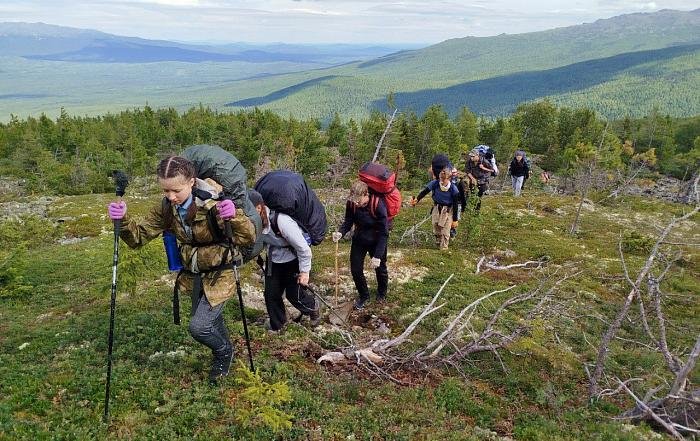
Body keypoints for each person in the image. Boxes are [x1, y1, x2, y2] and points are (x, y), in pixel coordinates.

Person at [107, 156, 256, 384]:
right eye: (165, 190)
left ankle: (224, 352)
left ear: (192, 182)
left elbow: (248, 238)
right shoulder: (167, 208)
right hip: (194, 273)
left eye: (176, 190)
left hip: (221, 271)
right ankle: (225, 348)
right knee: (210, 319)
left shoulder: (213, 205)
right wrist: (123, 220)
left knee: (199, 327)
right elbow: (138, 237)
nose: (170, 196)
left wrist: (234, 216)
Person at [247, 190, 320, 331]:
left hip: (293, 259)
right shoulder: (255, 223)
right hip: (274, 259)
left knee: (294, 295)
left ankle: (313, 307)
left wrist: (305, 272)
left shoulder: (282, 221)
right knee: (271, 294)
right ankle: (279, 325)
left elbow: (303, 249)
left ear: (258, 208)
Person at [332, 180, 389, 310]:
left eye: (358, 200)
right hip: (359, 238)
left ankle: (381, 294)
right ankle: (364, 295)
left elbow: (384, 232)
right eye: (354, 201)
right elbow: (348, 220)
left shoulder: (378, 204)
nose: (356, 203)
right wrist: (341, 232)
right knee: (356, 269)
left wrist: (377, 256)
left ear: (365, 194)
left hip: (377, 239)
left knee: (380, 268)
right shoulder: (351, 204)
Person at [411, 167, 460, 250]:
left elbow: (455, 204)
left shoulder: (453, 189)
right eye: (441, 178)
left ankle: (444, 247)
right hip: (437, 207)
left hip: (448, 209)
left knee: (445, 229)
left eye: (444, 179)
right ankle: (438, 241)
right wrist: (417, 199)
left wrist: (455, 220)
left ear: (449, 179)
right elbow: (425, 191)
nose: (442, 181)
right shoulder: (435, 183)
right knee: (436, 225)